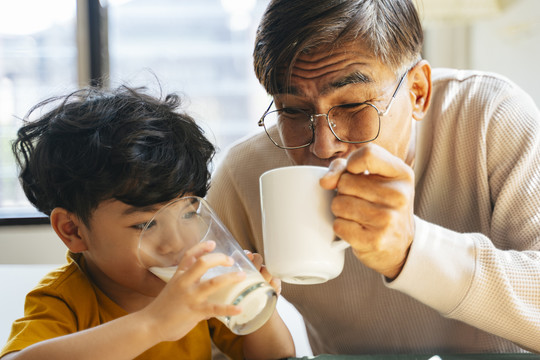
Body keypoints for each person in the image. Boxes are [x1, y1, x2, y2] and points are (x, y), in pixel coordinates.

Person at [206, 0, 540, 355]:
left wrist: (411, 250)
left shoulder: (489, 117)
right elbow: (197, 333)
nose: (323, 145)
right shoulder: (247, 174)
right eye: (292, 110)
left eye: (351, 106)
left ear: (418, 92)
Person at [0, 85, 294, 360]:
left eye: (188, 214)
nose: (177, 243)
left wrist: (259, 313)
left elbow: (277, 357)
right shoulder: (64, 301)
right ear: (73, 230)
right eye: (145, 225)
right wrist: (154, 323)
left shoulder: (201, 285)